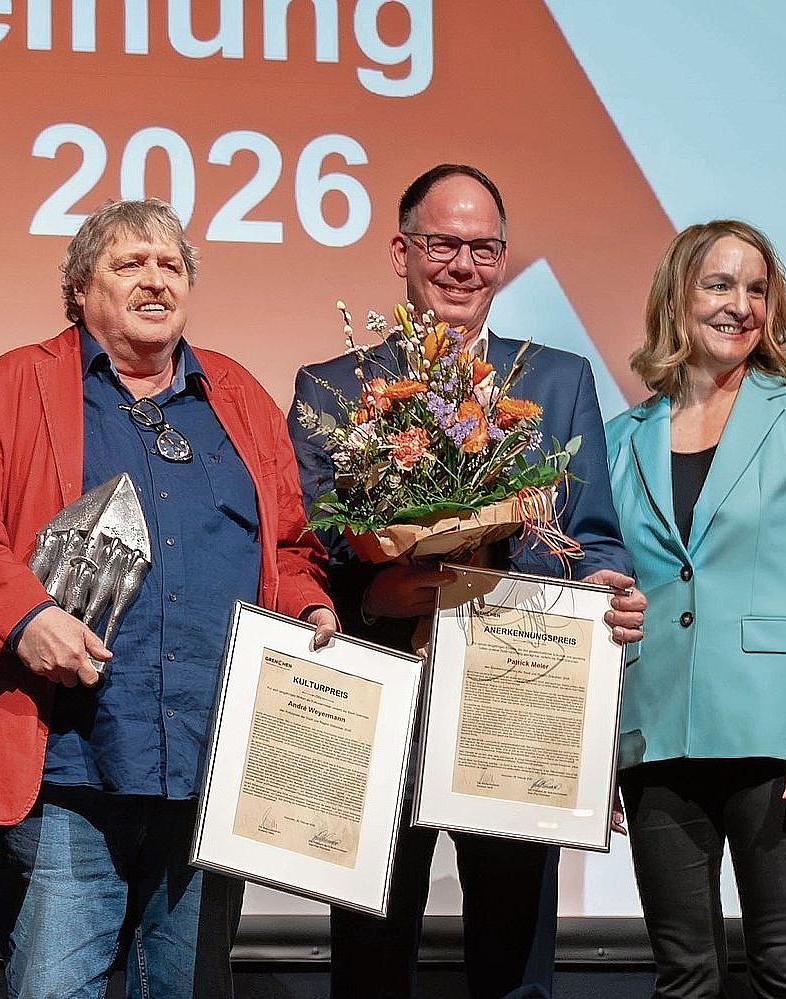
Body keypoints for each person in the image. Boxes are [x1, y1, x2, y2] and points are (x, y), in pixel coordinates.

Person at [0, 197, 338, 998]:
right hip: (71, 770)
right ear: (79, 288)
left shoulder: (237, 394)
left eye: (169, 265)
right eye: (128, 264)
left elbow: (288, 543)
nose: (154, 281)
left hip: (209, 776)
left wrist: (309, 605)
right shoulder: (5, 387)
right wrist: (27, 616)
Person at [287, 163, 646, 999]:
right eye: (441, 243)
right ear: (399, 251)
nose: (461, 265)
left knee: (516, 963)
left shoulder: (554, 382)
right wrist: (372, 598)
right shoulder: (332, 389)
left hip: (517, 698)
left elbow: (592, 534)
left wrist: (606, 582)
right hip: (384, 694)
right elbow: (304, 549)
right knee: (371, 962)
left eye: (482, 248)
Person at [606, 220, 786, 999]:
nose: (740, 305)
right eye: (719, 284)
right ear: (677, 296)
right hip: (655, 730)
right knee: (684, 976)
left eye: (756, 289)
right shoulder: (618, 437)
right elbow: (609, 589)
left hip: (776, 735)